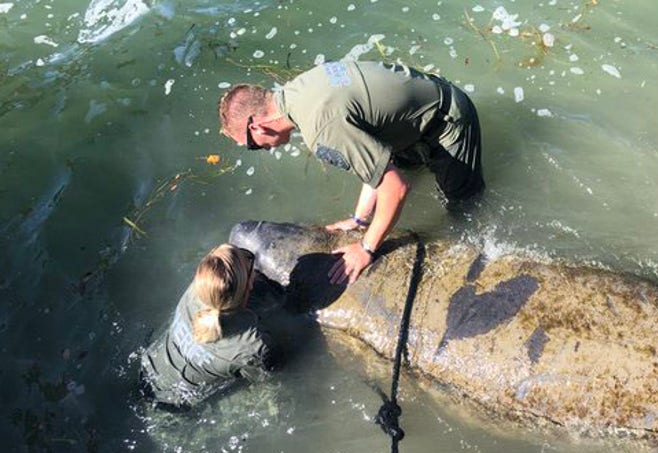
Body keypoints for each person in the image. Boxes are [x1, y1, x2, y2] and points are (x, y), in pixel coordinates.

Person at [217, 61, 484, 285]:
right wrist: (359, 219)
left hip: (447, 120)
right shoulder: (300, 89)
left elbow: (396, 188)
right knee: (395, 175)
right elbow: (372, 160)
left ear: (258, 127)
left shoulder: (322, 131)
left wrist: (366, 248)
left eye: (251, 146)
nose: (260, 150)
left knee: (465, 210)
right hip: (413, 113)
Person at [140, 244, 273, 409]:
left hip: (147, 368)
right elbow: (266, 376)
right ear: (249, 286)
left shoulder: (194, 291)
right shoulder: (253, 345)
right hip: (174, 404)